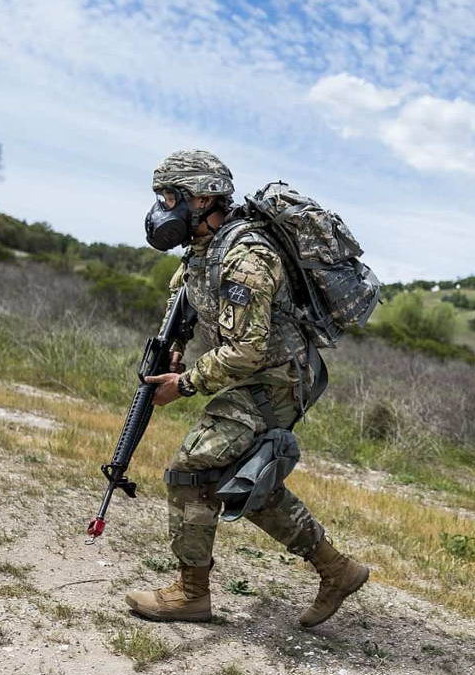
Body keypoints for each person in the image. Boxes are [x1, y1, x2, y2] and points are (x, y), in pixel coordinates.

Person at [124, 150, 369, 627]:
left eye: (170, 196)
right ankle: (337, 570)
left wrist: (186, 382)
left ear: (201, 198)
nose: (163, 207)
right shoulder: (203, 250)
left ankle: (190, 594)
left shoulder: (247, 258)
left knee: (192, 467)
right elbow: (186, 303)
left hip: (275, 380)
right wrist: (174, 348)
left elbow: (246, 351)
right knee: (237, 479)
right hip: (257, 375)